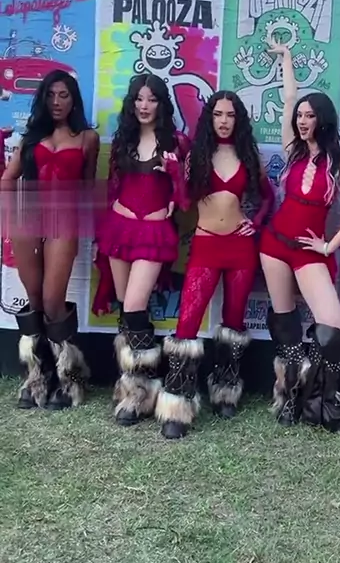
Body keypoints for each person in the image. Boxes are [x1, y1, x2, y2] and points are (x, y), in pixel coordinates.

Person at [258, 39, 340, 432]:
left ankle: (323, 406)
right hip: (274, 245)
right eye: (300, 116)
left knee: (332, 328)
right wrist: (286, 58)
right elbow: (289, 98)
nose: (302, 121)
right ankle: (290, 399)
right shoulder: (293, 150)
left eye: (310, 115)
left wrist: (328, 246)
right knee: (285, 325)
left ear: (323, 119)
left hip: (310, 251)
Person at [154, 91, 275, 440]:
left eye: (230, 115)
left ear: (239, 120)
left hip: (240, 247)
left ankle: (225, 391)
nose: (224, 121)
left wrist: (257, 222)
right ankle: (177, 404)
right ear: (209, 117)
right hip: (206, 244)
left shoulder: (248, 154)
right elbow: (185, 202)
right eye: (218, 114)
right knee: (187, 323)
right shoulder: (197, 155)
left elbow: (267, 196)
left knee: (234, 322)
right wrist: (175, 174)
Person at [94, 74, 190, 426]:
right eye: (138, 98)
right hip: (120, 226)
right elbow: (112, 187)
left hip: (153, 231)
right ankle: (132, 385)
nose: (144, 105)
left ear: (161, 103)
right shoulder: (124, 138)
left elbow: (186, 199)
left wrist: (174, 173)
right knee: (126, 309)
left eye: (151, 99)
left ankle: (141, 391)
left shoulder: (177, 142)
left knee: (135, 306)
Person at [1, 70, 99, 410]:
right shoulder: (31, 137)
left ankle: (69, 378)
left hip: (63, 222)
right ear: (43, 99)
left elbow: (88, 187)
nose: (57, 101)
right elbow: (8, 179)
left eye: (64, 95)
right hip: (28, 221)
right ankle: (37, 377)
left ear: (74, 100)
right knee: (34, 300)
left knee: (53, 299)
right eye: (51, 95)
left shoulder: (87, 138)